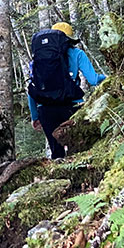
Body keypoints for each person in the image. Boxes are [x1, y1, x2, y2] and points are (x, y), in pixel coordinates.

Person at [27, 22, 105, 159]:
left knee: (57, 153)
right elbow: (93, 80)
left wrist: (35, 116)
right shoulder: (77, 54)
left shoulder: (38, 59)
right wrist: (108, 77)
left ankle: (59, 179)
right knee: (78, 151)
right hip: (72, 106)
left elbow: (33, 88)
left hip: (46, 109)